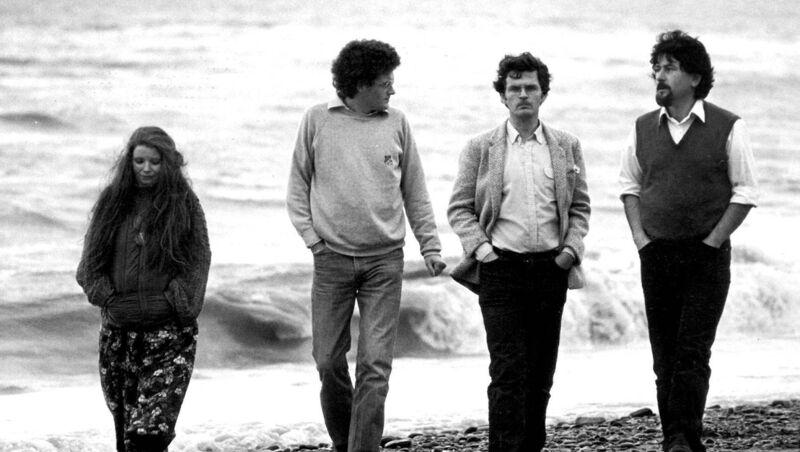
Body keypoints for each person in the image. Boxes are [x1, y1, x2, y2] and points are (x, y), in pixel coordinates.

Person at [286, 39, 446, 452]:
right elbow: (297, 188)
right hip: (331, 259)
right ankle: (346, 442)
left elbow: (416, 191)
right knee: (327, 362)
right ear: (359, 84)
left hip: (384, 261)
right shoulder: (317, 120)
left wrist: (430, 246)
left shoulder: (397, 123)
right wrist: (313, 241)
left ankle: (362, 450)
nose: (392, 90)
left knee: (375, 366)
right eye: (385, 82)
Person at [619, 30, 758, 452]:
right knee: (664, 357)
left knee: (693, 352)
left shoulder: (728, 126)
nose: (659, 76)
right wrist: (642, 240)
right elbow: (629, 186)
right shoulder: (642, 127)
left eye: (669, 68)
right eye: (656, 68)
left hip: (706, 254)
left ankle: (684, 438)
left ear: (695, 78)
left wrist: (712, 243)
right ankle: (672, 439)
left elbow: (745, 192)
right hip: (656, 254)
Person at [447, 52, 590, 452]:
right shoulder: (481, 147)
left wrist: (569, 252)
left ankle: (531, 447)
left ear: (543, 94)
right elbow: (459, 208)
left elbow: (579, 207)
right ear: (503, 96)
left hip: (551, 268)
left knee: (541, 372)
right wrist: (481, 248)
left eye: (530, 87)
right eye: (514, 88)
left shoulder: (566, 145)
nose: (523, 94)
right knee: (507, 369)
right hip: (500, 269)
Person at [76, 126, 211, 452]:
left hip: (170, 336)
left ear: (168, 162)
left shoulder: (184, 203)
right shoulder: (112, 201)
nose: (147, 168)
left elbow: (199, 259)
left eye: (154, 161)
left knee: (150, 432)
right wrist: (107, 298)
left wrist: (176, 304)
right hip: (118, 337)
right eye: (139, 161)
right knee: (126, 434)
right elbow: (89, 265)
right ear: (130, 162)